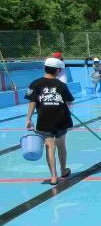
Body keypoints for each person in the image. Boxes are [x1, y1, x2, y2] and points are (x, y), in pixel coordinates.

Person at [24, 57, 74, 185]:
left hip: (44, 121)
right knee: (61, 145)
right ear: (58, 70)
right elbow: (69, 101)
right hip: (62, 120)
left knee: (50, 147)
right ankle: (63, 170)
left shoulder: (35, 83)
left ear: (45, 68)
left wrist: (28, 118)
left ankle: (53, 176)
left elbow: (32, 101)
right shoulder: (61, 85)